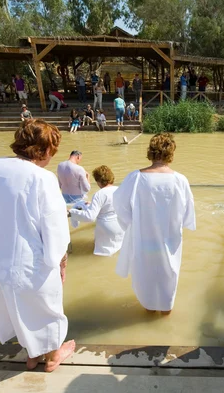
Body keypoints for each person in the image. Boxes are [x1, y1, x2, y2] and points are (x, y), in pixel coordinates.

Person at [0, 119, 74, 373]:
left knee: (17, 309)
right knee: (46, 308)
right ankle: (52, 357)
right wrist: (60, 261)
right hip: (30, 261)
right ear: (45, 150)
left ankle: (31, 355)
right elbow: (55, 227)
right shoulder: (42, 177)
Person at [113, 133, 196, 315]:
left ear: (151, 152)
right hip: (170, 239)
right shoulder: (180, 180)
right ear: (171, 153)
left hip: (143, 238)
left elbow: (119, 203)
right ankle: (166, 314)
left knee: (145, 275)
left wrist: (132, 223)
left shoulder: (135, 178)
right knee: (169, 274)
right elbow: (188, 212)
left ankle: (149, 311)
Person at [69, 165, 125, 256]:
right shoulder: (120, 189)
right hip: (121, 226)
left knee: (102, 254)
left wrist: (71, 213)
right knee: (118, 250)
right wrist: (92, 204)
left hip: (106, 228)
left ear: (99, 181)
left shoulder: (100, 194)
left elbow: (90, 217)